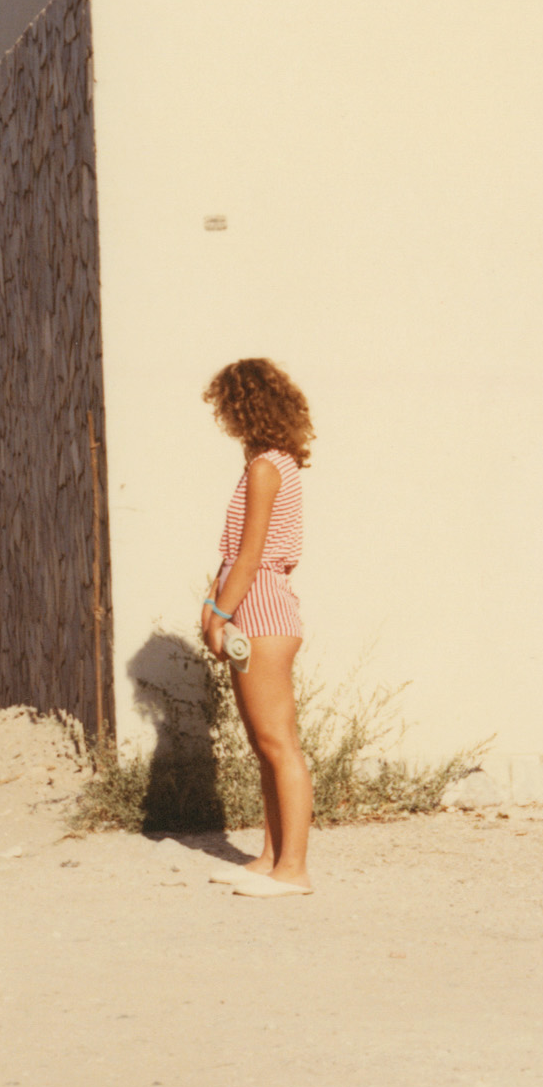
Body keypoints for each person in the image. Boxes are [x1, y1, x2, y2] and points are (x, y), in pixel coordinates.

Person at [198, 358, 315, 897]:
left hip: (261, 605)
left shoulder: (267, 467)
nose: (224, 419)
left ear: (244, 406)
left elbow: (248, 558)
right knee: (264, 743)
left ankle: (293, 870)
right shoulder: (277, 462)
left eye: (227, 407)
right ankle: (270, 857)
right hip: (257, 604)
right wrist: (216, 606)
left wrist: (218, 612)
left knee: (278, 743)